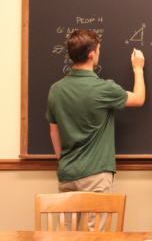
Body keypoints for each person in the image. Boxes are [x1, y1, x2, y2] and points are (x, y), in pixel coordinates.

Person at [46, 29, 145, 231]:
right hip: (96, 177)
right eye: (98, 49)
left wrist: (64, 161)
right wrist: (138, 69)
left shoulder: (56, 89)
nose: (99, 53)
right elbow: (139, 98)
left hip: (67, 174)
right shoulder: (103, 88)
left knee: (66, 236)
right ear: (92, 54)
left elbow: (53, 132)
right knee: (96, 237)